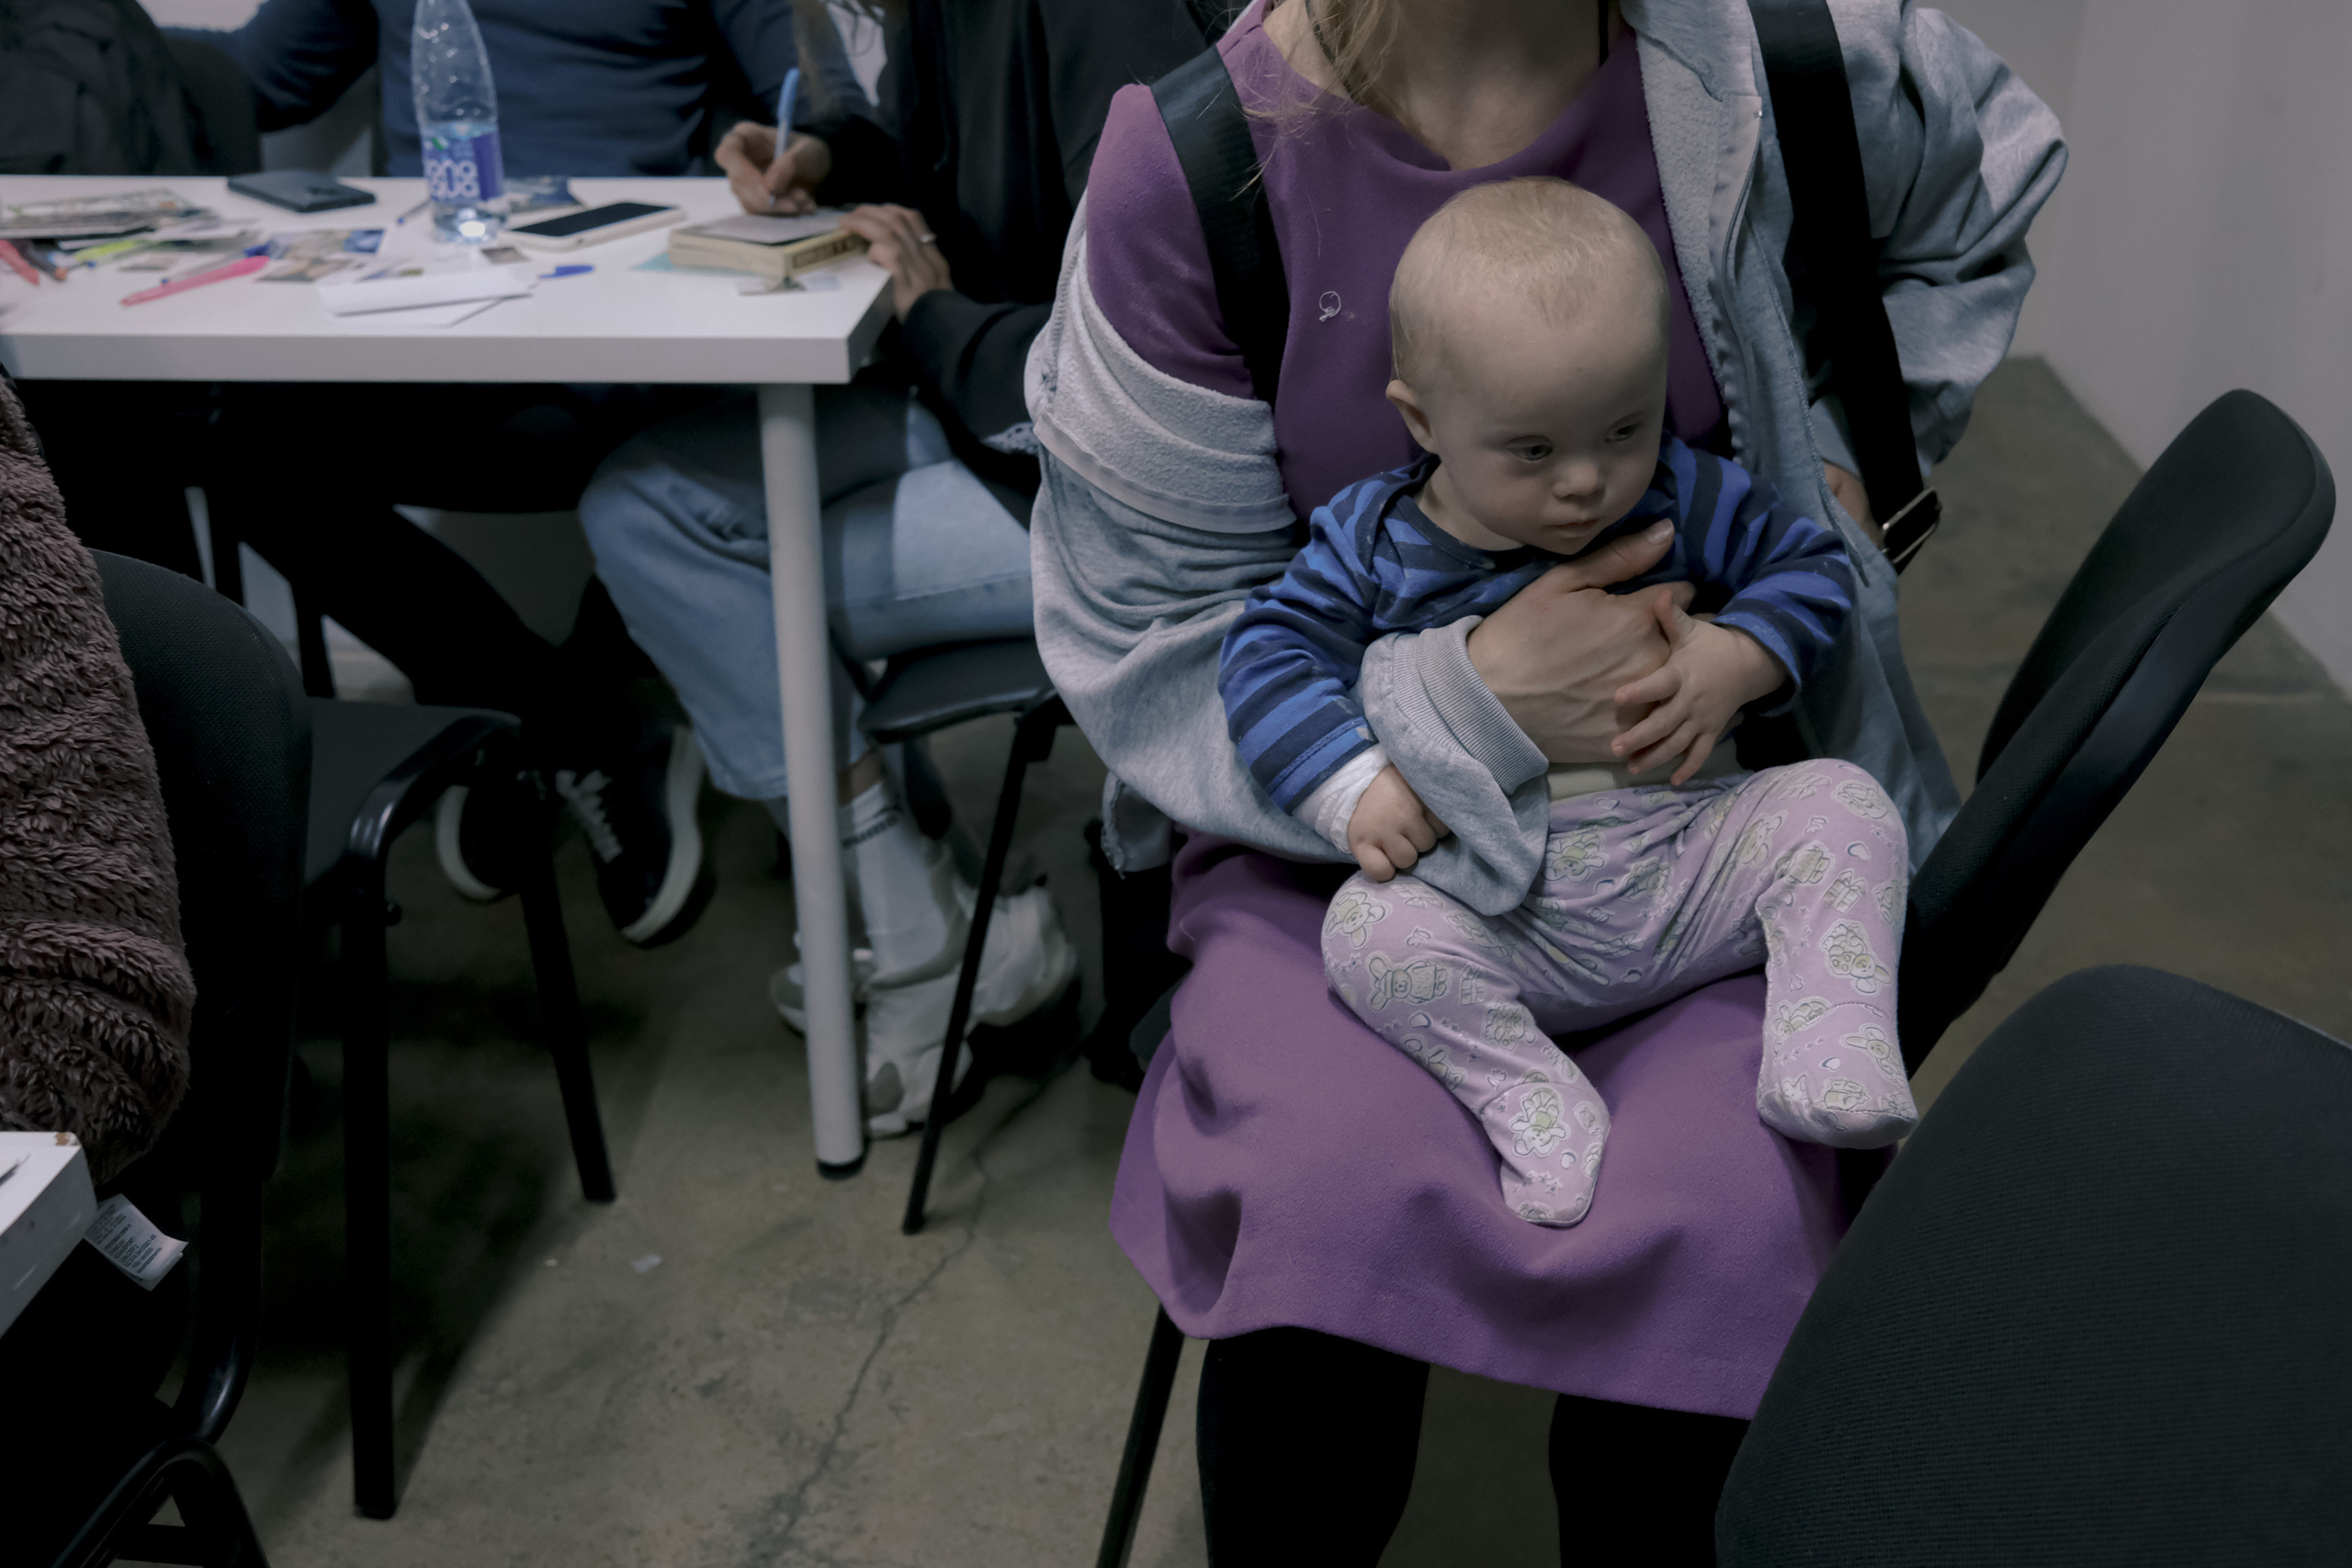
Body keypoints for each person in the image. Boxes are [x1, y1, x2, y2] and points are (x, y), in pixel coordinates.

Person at [1027, 0, 2062, 1558]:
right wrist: (1464, 705)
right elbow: (1158, 638)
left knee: (1723, 1208)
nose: (1584, 483)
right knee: (1324, 1193)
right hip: (1346, 856)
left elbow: (1981, 190)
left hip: (1682, 811)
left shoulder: (1781, 58)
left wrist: (1851, 447)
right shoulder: (1196, 166)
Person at [1222, 179, 1917, 1228]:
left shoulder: (1682, 492)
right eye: (1534, 451)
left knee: (1845, 806)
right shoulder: (1372, 543)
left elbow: (1815, 565)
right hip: (1507, 901)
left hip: (1688, 852)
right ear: (1423, 419)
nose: (1588, 484)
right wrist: (1351, 784)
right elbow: (1265, 656)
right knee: (1369, 936)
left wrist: (1740, 654)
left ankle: (1829, 1048)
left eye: (1623, 428)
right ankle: (1529, 1092)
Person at [576, 0, 1210, 1134]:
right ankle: (925, 915)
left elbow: (1151, 346)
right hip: (979, 403)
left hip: (1106, 493)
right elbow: (929, 159)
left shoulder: (1110, 21)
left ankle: (915, 945)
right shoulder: (944, 13)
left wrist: (937, 316)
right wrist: (826, 154)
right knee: (636, 509)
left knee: (706, 572)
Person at [133, 0, 869, 947]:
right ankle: (554, 722)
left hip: (628, 329)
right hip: (431, 319)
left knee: (715, 446)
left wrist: (801, 146)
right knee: (243, 442)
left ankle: (561, 713)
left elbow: (819, 94)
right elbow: (262, 76)